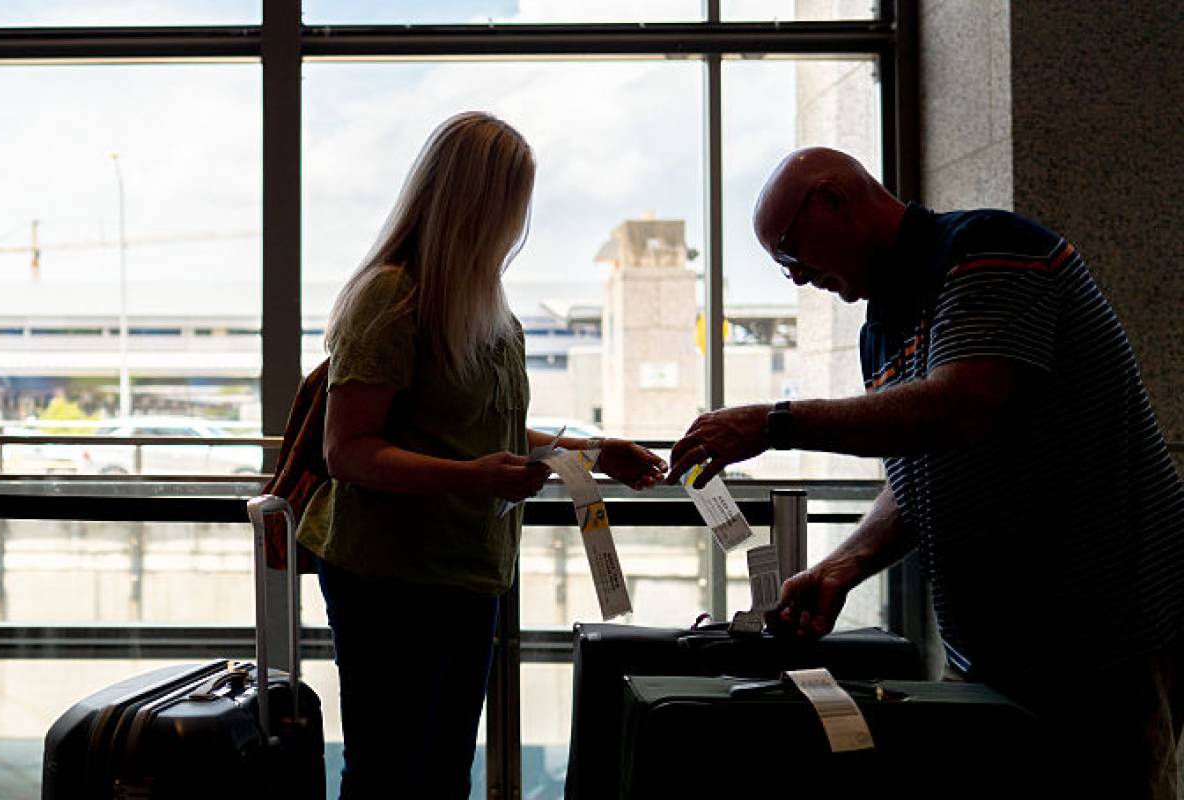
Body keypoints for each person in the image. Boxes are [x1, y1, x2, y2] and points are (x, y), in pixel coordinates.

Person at [665, 146, 1184, 797]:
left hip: (1103, 646)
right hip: (992, 654)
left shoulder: (990, 251)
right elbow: (922, 472)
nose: (796, 279)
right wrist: (841, 566)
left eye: (792, 252)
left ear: (835, 199)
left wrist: (772, 423)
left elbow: (960, 408)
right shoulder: (880, 329)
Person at [297, 112, 666, 799]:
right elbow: (348, 450)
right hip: (389, 578)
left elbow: (489, 430)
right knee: (389, 773)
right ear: (478, 203)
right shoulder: (392, 299)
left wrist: (590, 449)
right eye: (512, 202)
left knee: (439, 773)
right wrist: (470, 477)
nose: (518, 222)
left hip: (470, 576)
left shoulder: (490, 310)